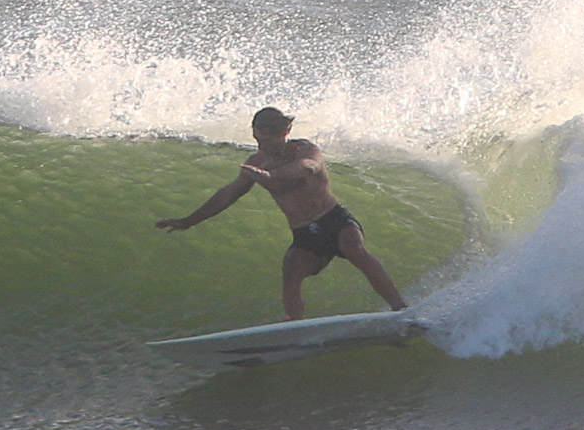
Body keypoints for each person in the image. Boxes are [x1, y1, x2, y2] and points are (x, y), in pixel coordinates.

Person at [156, 107, 408, 321]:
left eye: (268, 139)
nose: (262, 145)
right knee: (291, 268)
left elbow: (307, 168)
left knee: (354, 247)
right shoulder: (257, 162)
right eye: (258, 138)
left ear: (284, 133)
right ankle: (295, 327)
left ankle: (400, 309)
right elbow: (228, 194)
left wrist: (271, 177)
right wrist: (188, 221)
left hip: (334, 219)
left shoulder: (306, 150)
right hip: (304, 233)